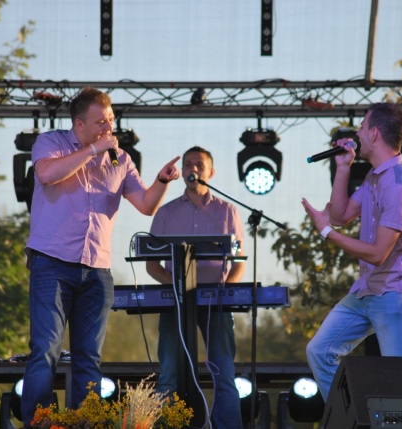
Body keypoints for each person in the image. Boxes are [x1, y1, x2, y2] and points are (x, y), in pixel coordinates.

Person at [21, 87, 180, 427]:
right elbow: (46, 175)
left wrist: (161, 181)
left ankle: (86, 422)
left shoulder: (120, 159)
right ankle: (39, 422)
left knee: (88, 358)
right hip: (52, 263)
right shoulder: (51, 142)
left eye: (110, 119)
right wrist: (93, 150)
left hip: (96, 270)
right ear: (79, 124)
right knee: (46, 350)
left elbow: (146, 204)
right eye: (100, 122)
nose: (109, 127)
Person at [301, 102, 402, 403]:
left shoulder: (400, 184)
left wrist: (326, 233)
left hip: (396, 291)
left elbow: (377, 254)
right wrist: (343, 167)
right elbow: (341, 215)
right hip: (368, 289)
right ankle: (351, 418)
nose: (357, 132)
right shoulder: (375, 177)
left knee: (401, 384)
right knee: (320, 351)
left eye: (361, 126)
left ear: (373, 133)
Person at [146, 146, 246, 429]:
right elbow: (151, 264)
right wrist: (179, 287)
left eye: (199, 165)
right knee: (169, 374)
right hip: (175, 303)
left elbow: (239, 262)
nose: (193, 169)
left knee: (224, 373)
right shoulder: (166, 213)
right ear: (182, 173)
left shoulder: (228, 210)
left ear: (210, 172)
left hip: (217, 302)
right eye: (188, 164)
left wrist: (226, 292)